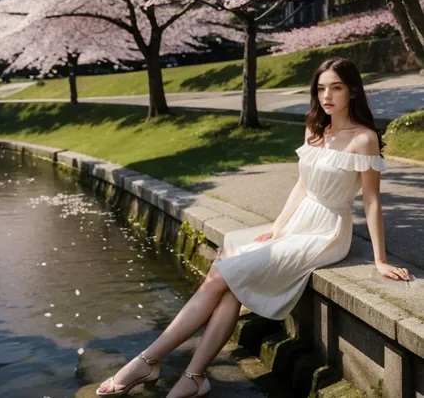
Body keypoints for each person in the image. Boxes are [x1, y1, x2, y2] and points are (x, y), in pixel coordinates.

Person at [96, 57, 411, 397]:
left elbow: (372, 201)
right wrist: (277, 228)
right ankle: (193, 378)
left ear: (352, 90)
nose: (327, 96)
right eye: (321, 88)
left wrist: (379, 260)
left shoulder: (363, 139)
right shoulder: (315, 129)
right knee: (229, 281)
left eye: (336, 88)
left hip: (327, 231)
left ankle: (147, 360)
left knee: (220, 274)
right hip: (299, 222)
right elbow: (302, 186)